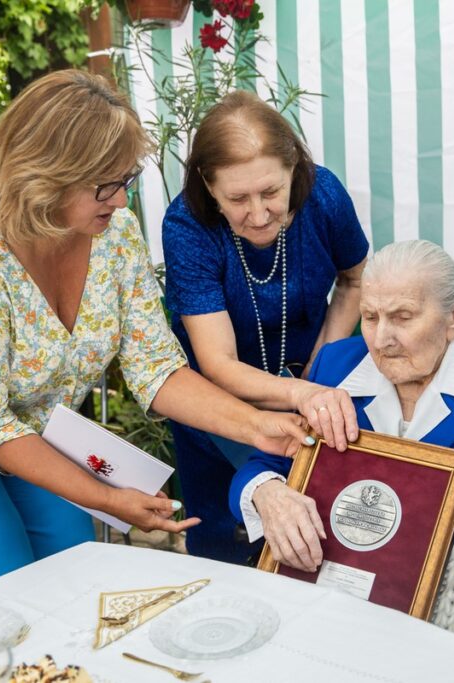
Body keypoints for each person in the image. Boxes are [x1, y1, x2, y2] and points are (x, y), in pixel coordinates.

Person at [0, 70, 312, 609]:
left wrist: (259, 425)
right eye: (104, 184)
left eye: (125, 177)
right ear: (46, 176)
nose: (121, 197)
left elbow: (156, 368)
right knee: (0, 599)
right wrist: (108, 498)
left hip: (28, 422)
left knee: (70, 573)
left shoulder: (113, 234)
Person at [229, 240, 454, 657]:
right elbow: (266, 462)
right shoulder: (336, 366)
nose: (382, 339)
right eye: (369, 317)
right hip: (343, 563)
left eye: (402, 317)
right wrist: (268, 493)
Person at [162, 91, 370, 563]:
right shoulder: (186, 227)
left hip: (313, 381)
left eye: (271, 192)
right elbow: (217, 363)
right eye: (237, 198)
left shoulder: (325, 196)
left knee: (320, 528)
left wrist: (319, 372)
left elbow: (355, 279)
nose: (257, 215)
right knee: (228, 540)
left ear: (294, 168)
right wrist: (300, 395)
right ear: (207, 186)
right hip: (219, 405)